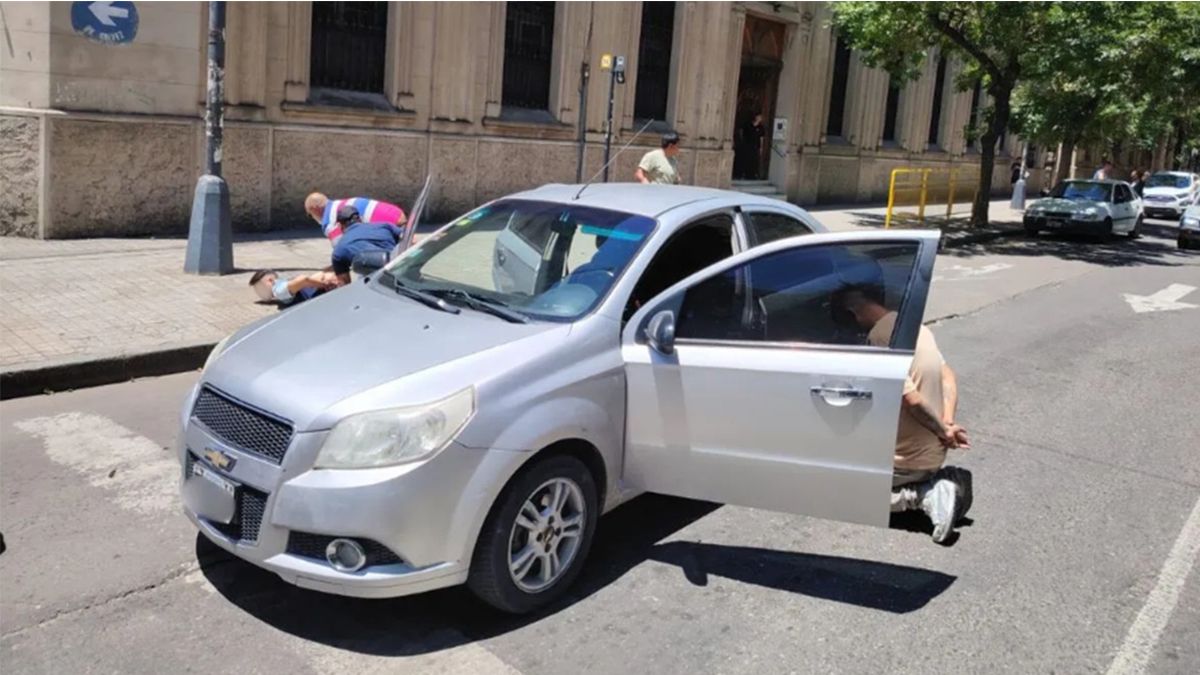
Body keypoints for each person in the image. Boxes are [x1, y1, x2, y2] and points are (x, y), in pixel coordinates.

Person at [832, 283, 972, 544]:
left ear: (853, 314)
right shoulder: (917, 327)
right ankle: (939, 480)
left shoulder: (879, 340)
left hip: (907, 460)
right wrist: (947, 424)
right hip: (932, 450)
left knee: (836, 490)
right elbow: (948, 376)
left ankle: (924, 495)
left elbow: (912, 400)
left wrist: (943, 432)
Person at [330, 205, 404, 285]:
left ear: (340, 226)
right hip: (402, 268)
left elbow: (344, 284)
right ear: (360, 218)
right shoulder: (385, 225)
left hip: (379, 284)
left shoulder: (338, 251)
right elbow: (410, 239)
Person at [304, 192, 407, 243]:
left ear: (315, 209)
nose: (312, 217)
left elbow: (343, 251)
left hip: (391, 228)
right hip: (398, 214)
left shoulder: (330, 222)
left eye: (310, 214)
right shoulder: (339, 204)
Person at [249, 269, 337, 308]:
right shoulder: (280, 290)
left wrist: (324, 284)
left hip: (323, 290)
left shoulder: (279, 290)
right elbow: (304, 280)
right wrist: (323, 283)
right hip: (324, 289)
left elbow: (304, 280)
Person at [736, 113, 766, 180]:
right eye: (759, 117)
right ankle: (741, 174)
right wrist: (742, 140)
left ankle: (751, 175)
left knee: (753, 161)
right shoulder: (748, 124)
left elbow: (761, 138)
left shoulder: (761, 127)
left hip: (755, 146)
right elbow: (741, 131)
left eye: (761, 117)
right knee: (744, 159)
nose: (760, 118)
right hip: (746, 145)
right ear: (755, 117)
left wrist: (761, 148)